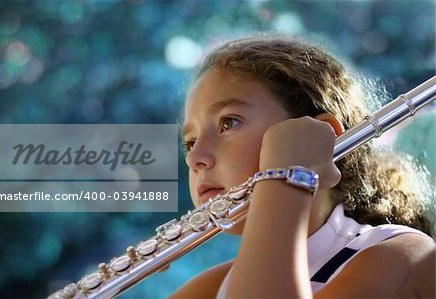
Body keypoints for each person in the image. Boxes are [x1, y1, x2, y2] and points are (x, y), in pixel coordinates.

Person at [170, 34, 435, 298]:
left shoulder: (400, 255)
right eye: (190, 142)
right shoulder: (212, 287)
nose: (194, 158)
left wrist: (286, 179)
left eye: (228, 123)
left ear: (323, 136)